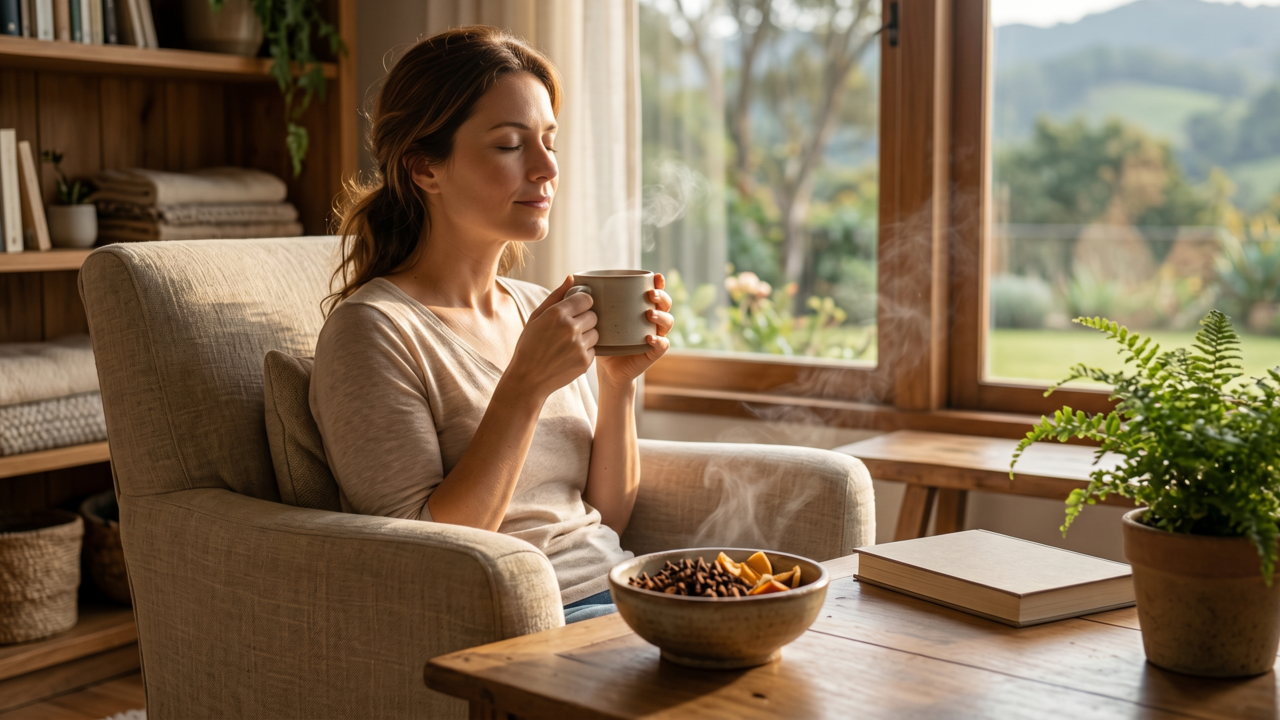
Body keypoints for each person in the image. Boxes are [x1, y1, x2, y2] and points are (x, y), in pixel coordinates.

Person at [309, 26, 673, 625]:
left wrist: (618, 383)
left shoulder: (539, 310)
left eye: (549, 141)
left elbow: (602, 518)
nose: (547, 167)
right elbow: (428, 555)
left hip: (621, 590)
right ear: (425, 169)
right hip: (521, 619)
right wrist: (524, 386)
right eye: (510, 145)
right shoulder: (373, 332)